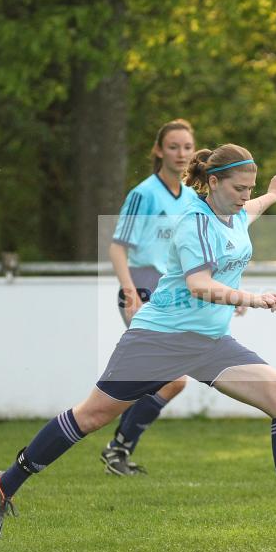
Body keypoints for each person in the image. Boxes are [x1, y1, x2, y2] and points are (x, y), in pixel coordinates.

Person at [0, 144, 276, 543]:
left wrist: (272, 194)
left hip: (210, 344)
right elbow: (198, 285)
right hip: (159, 340)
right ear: (213, 182)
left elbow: (249, 213)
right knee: (93, 417)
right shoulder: (193, 223)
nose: (246, 196)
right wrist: (252, 298)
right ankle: (4, 484)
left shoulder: (235, 212)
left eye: (250, 188)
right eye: (240, 188)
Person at [102, 119, 198, 476]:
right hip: (141, 288)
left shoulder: (191, 198)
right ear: (159, 150)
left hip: (173, 292)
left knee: (170, 380)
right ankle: (116, 447)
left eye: (187, 147)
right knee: (171, 378)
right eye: (173, 146)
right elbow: (116, 248)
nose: (181, 154)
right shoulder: (143, 194)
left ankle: (118, 448)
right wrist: (130, 292)